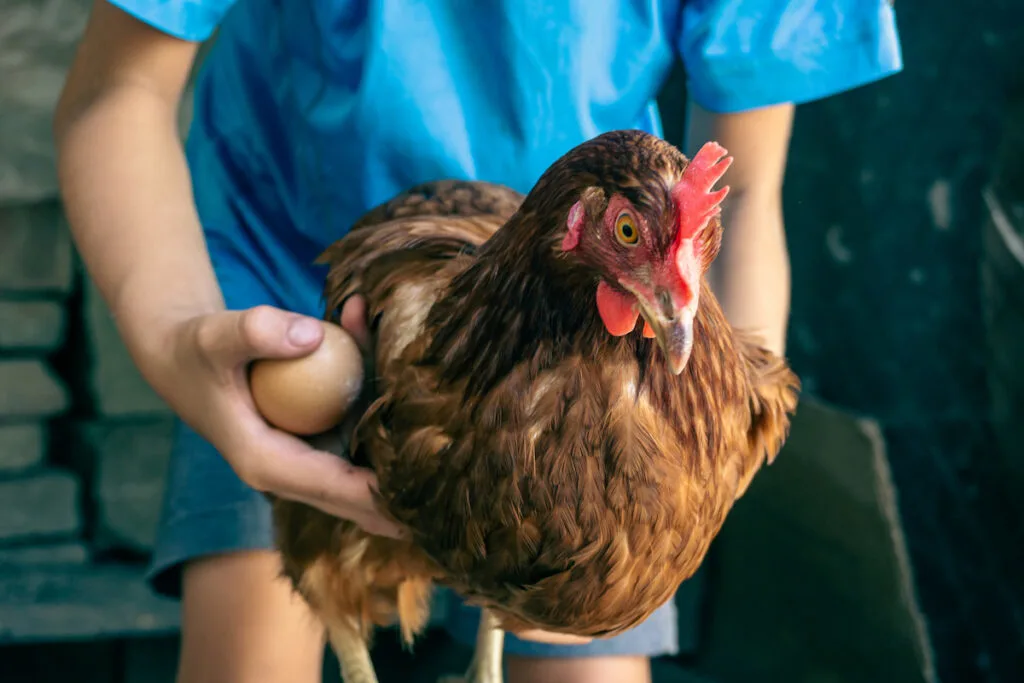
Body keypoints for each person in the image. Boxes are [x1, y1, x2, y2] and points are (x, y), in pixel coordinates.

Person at [54, 2, 903, 682]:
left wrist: (704, 463)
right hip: (294, 301)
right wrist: (176, 341)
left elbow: (745, 186)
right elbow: (115, 92)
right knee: (249, 654)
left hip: (609, 359)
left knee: (587, 664)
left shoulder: (654, 295)